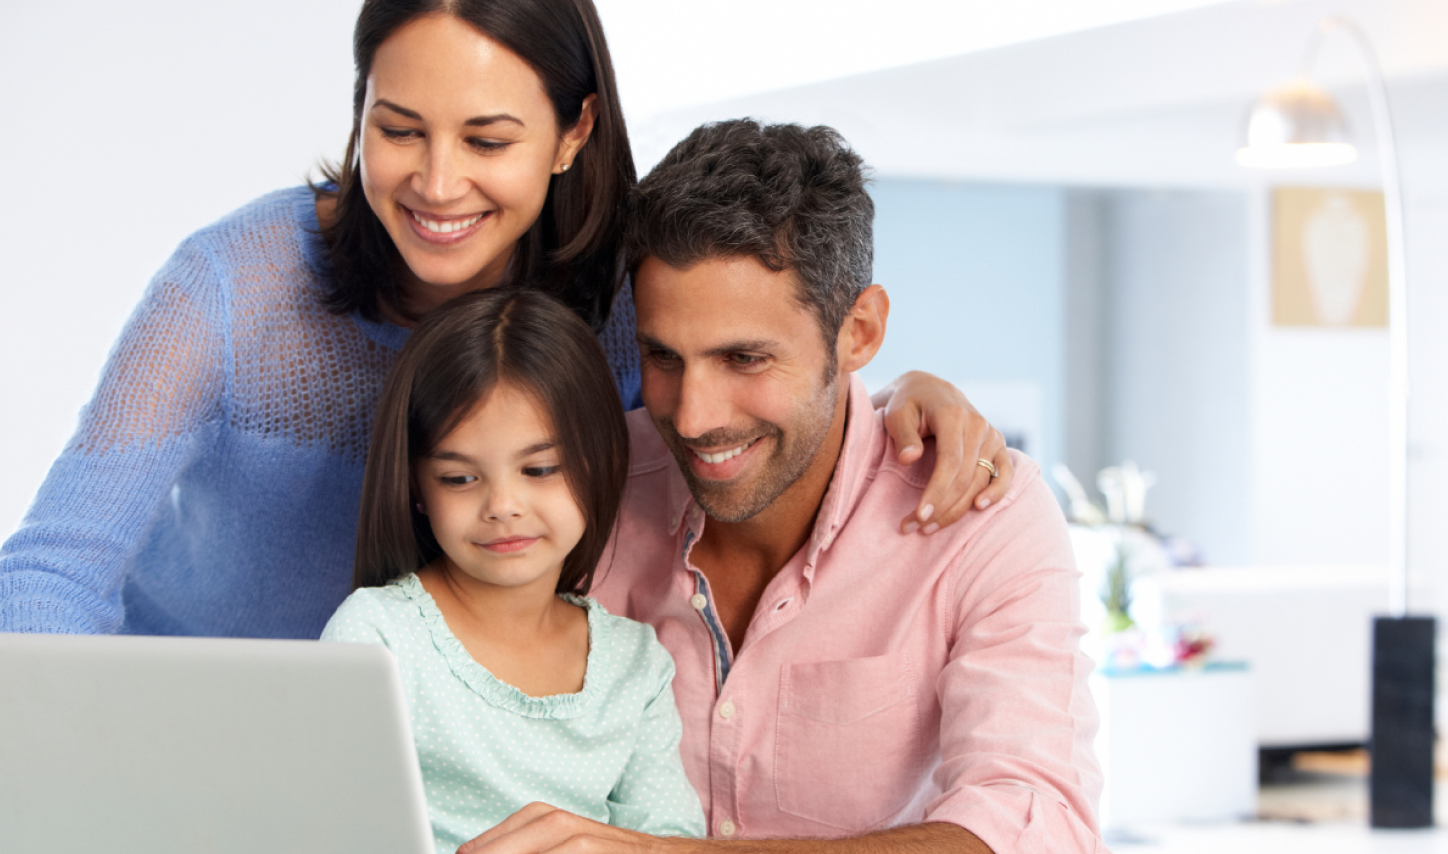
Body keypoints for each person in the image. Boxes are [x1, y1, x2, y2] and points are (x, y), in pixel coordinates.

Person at [0, 0, 1012, 638]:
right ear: (359, 115)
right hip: (195, 717)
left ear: (574, 131)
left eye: (487, 139)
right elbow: (54, 564)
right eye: (397, 130)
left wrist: (906, 394)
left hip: (454, 759)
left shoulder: (622, 300)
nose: (436, 184)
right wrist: (83, 739)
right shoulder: (236, 283)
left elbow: (763, 361)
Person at [459, 120, 1104, 854]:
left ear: (858, 331)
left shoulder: (984, 516)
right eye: (663, 357)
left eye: (744, 358)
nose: (694, 417)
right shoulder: (585, 488)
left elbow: (1035, 823)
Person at [322, 288, 704, 853]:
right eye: (459, 478)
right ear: (417, 490)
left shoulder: (634, 666)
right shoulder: (377, 636)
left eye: (540, 468)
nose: (503, 505)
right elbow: (324, 829)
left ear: (599, 465)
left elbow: (670, 839)